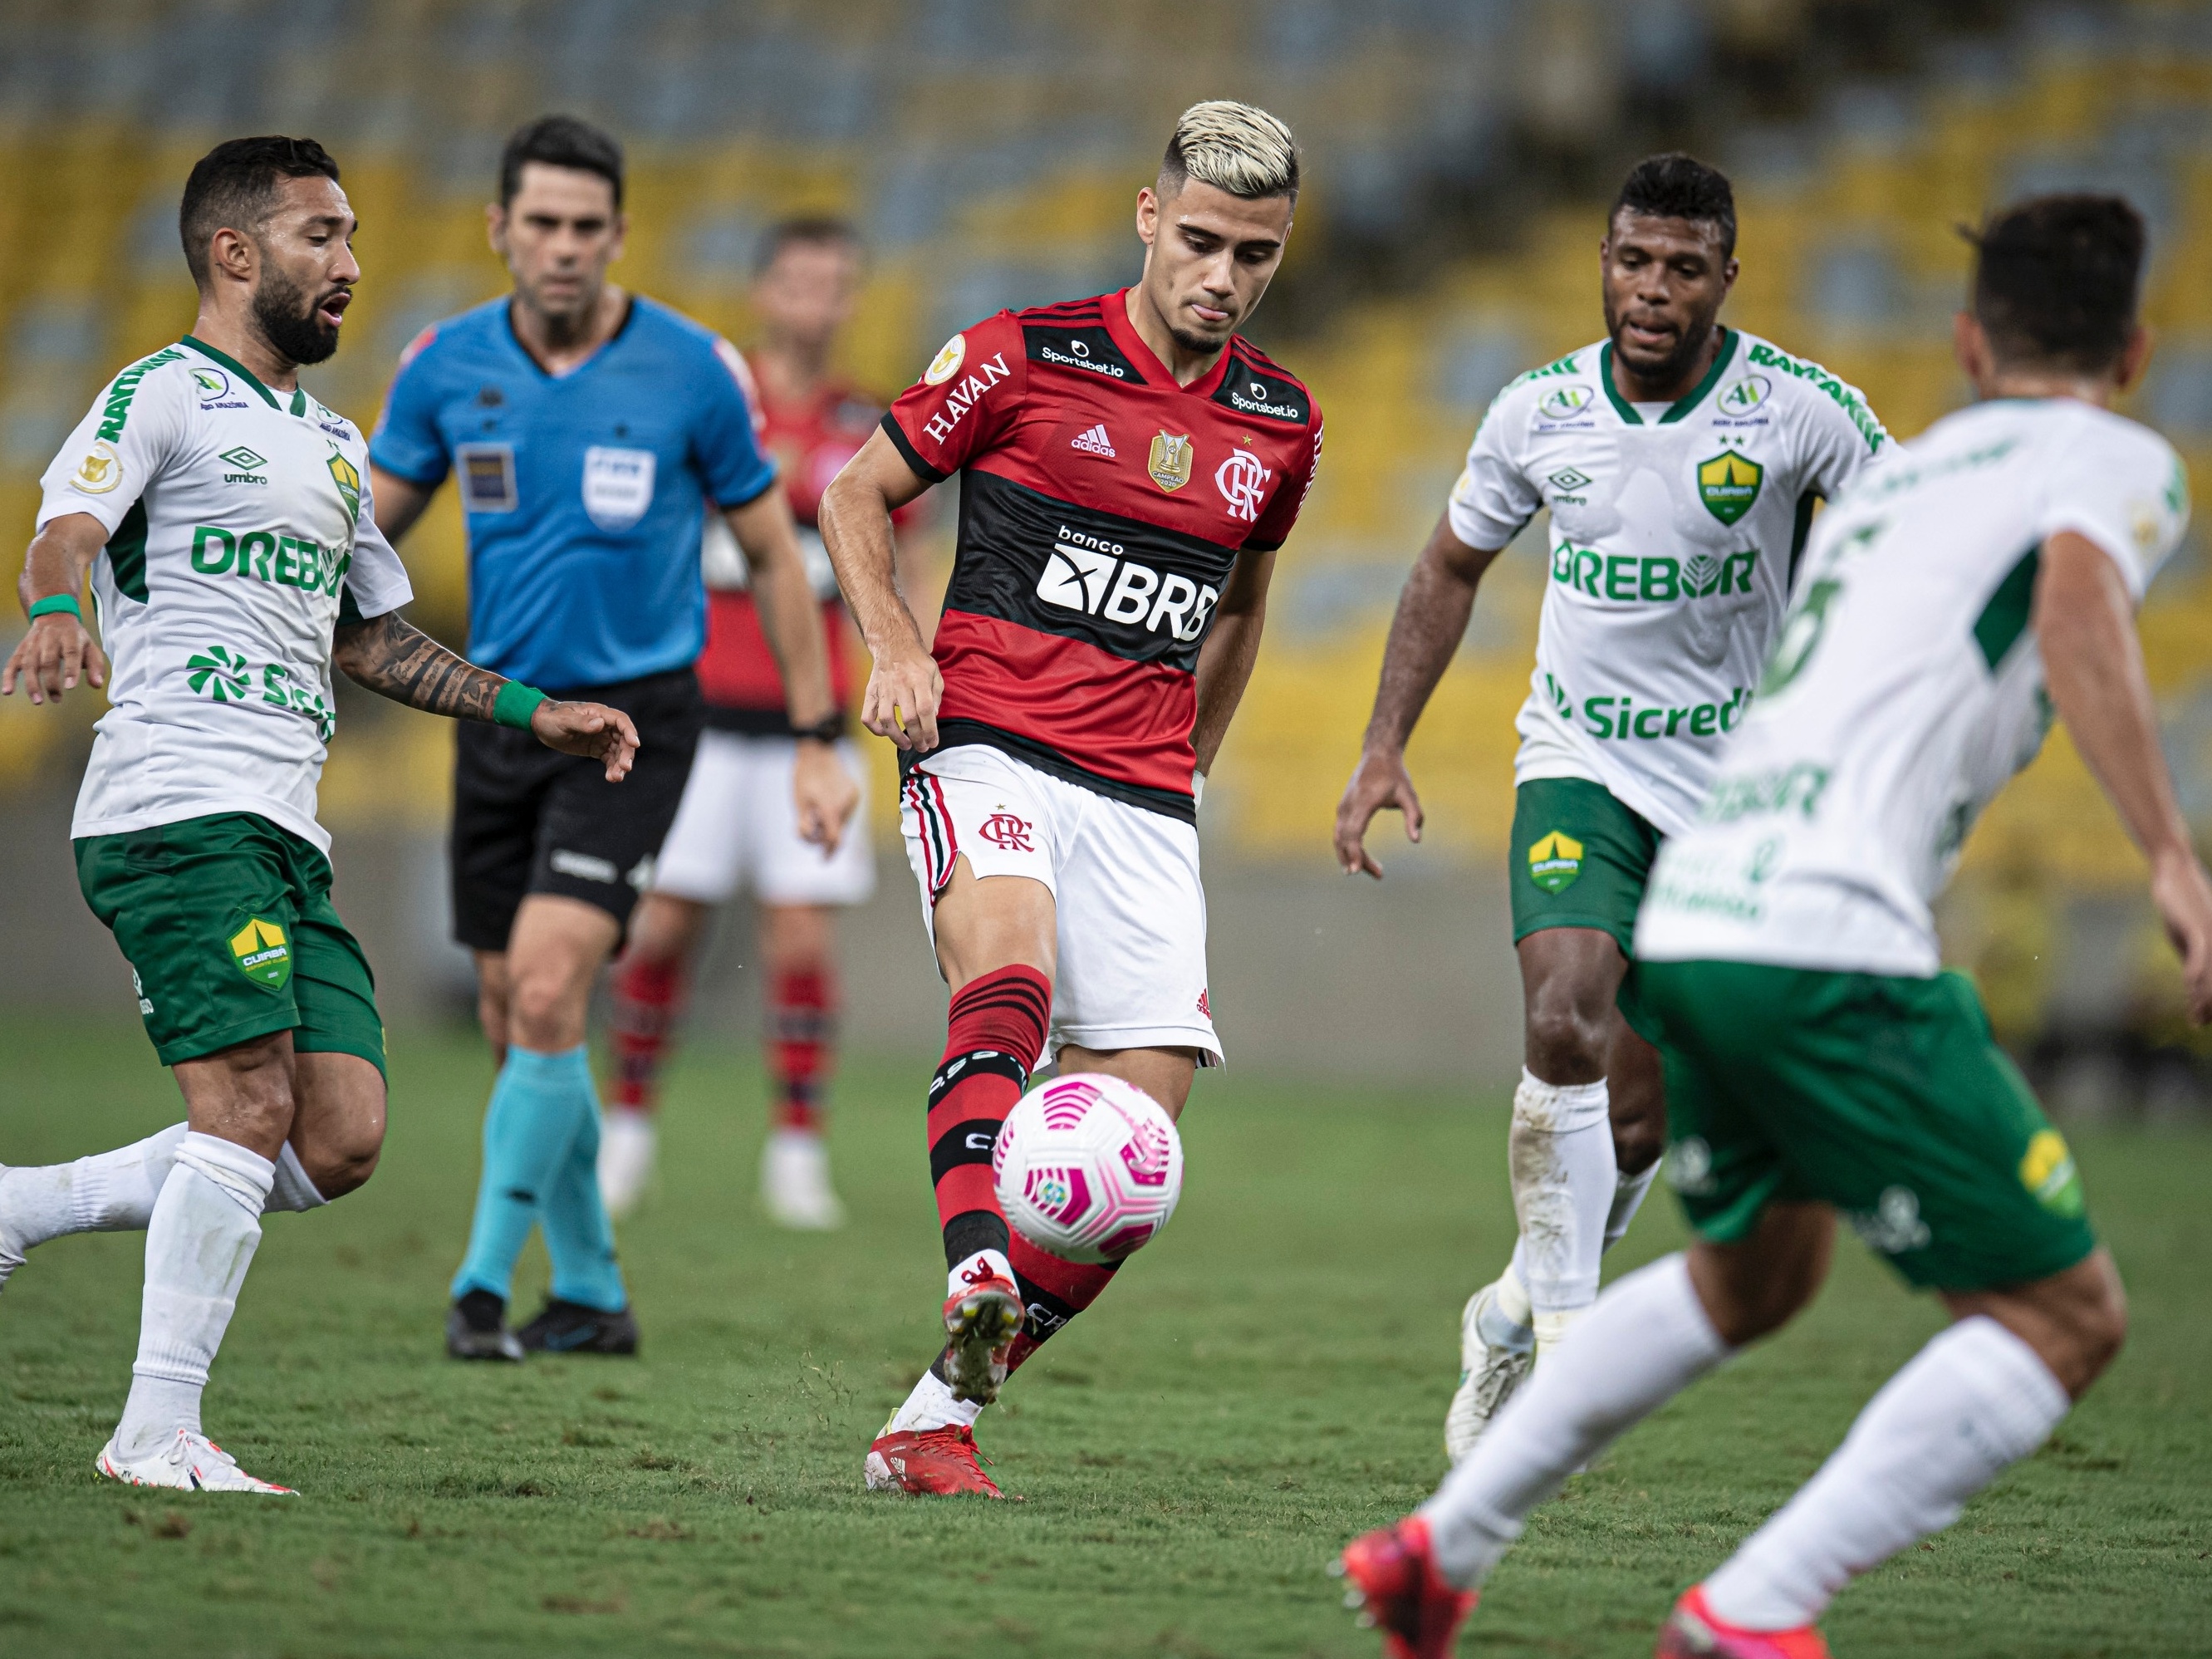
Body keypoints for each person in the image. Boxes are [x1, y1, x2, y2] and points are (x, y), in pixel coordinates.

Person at [1340, 193, 2205, 1659]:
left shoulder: (1901, 464)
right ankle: (1746, 1611)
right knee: (2066, 1315)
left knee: (1758, 1268)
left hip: (1716, 890)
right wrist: (2172, 860)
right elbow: (2071, 602)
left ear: (1965, 341)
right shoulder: (2113, 460)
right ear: (2130, 350)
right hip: (1822, 930)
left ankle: (1440, 1542)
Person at [0, 135, 639, 1492]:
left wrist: (538, 711)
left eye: (350, 237)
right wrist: (58, 608)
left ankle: (23, 1204)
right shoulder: (160, 394)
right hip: (173, 807)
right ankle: (154, 1430)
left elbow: (377, 642)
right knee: (241, 1106)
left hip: (285, 831)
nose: (350, 264)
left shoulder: (337, 449)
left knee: (334, 1136)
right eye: (320, 237)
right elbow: (64, 528)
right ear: (234, 252)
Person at [1333, 155, 1888, 1460]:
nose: (1650, 290)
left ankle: (1515, 1310)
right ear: (1600, 259)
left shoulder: (1800, 413)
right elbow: (1446, 567)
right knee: (1560, 1015)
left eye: (1681, 268)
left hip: (1734, 793)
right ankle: (1572, 1371)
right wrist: (1378, 746)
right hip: (1578, 761)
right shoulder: (1533, 412)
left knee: (1638, 1125)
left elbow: (1909, 544)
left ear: (1722, 280)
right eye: (1630, 260)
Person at [820, 101, 1324, 1497]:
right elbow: (856, 498)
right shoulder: (1018, 357)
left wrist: (1190, 765)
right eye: (1205, 241)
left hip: (1144, 794)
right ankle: (972, 1258)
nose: (1223, 276)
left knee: (1134, 1163)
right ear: (1149, 218)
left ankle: (935, 1418)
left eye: (1257, 255)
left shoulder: (1279, 423)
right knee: (1010, 982)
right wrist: (898, 648)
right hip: (987, 739)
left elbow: (1239, 607)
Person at [367, 115, 856, 1362]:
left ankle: (480, 1287)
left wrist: (816, 735)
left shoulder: (691, 369)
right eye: (542, 223)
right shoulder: (441, 366)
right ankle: (589, 1287)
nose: (565, 247)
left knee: (544, 987)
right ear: (499, 229)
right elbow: (358, 542)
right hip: (496, 717)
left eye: (588, 226)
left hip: (637, 725)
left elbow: (773, 558)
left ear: (619, 235)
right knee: (508, 1014)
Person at [601, 217, 930, 1228]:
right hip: (690, 715)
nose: (815, 301)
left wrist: (907, 659)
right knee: (659, 927)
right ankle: (626, 1132)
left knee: (797, 943)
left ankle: (795, 1151)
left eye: (836, 282)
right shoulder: (703, 406)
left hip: (810, 722)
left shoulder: (869, 424)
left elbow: (901, 562)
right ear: (762, 290)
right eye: (798, 280)